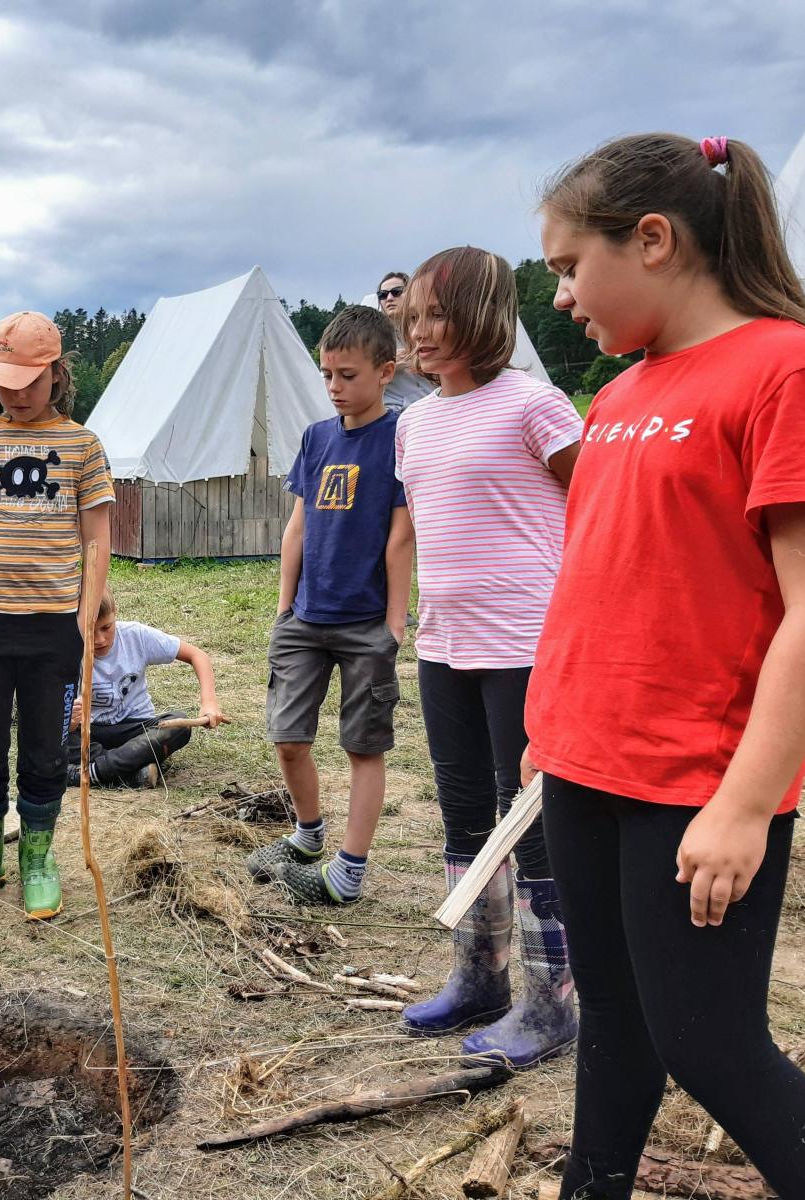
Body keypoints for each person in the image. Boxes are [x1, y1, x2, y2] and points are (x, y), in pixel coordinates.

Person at [527, 133, 805, 1199]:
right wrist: (551, 737)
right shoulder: (618, 395)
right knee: (613, 1021)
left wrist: (745, 803)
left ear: (652, 240)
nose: (559, 297)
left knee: (712, 1048)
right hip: (583, 763)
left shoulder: (794, 371)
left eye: (568, 266)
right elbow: (608, 579)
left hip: (694, 784)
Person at [392, 246, 583, 1069]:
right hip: (445, 645)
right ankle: (479, 977)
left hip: (527, 646)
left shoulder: (535, 406)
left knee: (529, 823)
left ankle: (552, 1001)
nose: (421, 331)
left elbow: (602, 507)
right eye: (413, 317)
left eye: (438, 315)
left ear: (484, 315)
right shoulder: (412, 423)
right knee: (465, 814)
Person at [0, 312, 113, 920]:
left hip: (54, 627)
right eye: (4, 381)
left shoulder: (82, 445)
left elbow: (96, 538)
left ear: (56, 373)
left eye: (29, 381)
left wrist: (84, 621)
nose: (15, 393)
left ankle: (37, 860)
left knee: (44, 750)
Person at [245, 305, 413, 907]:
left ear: (385, 371)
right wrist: (284, 607)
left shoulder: (401, 437)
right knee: (288, 738)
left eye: (348, 375)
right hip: (305, 620)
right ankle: (308, 833)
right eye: (327, 375)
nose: (335, 387)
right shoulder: (316, 438)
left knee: (362, 747)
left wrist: (394, 623)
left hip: (366, 623)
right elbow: (297, 526)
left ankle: (350, 868)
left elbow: (401, 536)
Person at [65, 589, 225, 789]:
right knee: (49, 733)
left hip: (136, 729)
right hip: (90, 732)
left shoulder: (136, 635)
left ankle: (91, 773)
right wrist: (68, 723)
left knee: (178, 726)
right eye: (90, 631)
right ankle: (131, 770)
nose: (100, 639)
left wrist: (209, 702)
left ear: (115, 613)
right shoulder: (66, 648)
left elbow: (197, 655)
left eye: (106, 627)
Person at [374, 270, 432, 413]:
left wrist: (415, 358)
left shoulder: (429, 328)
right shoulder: (371, 336)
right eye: (383, 295)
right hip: (394, 412)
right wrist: (387, 364)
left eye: (396, 292)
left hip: (434, 406)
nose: (389, 298)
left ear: (411, 294)